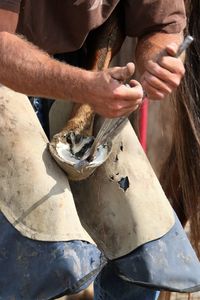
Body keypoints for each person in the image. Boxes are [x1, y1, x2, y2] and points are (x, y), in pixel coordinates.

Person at [0, 1, 200, 300]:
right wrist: (83, 87)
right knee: (40, 257)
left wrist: (157, 61)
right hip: (9, 69)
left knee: (144, 252)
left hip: (79, 71)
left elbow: (162, 27)